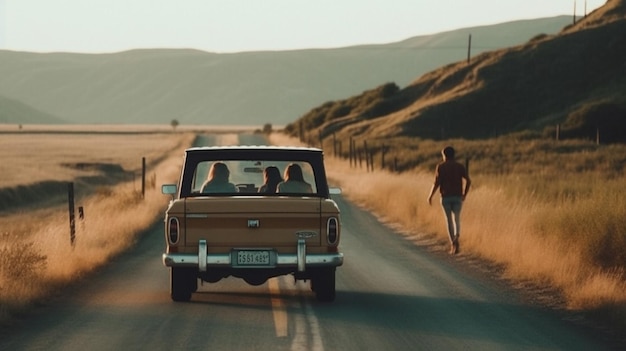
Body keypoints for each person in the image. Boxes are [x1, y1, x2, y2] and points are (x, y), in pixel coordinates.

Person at [427, 146, 471, 255]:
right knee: (456, 218)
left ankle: (453, 244)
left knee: (449, 220)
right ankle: (457, 235)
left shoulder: (440, 167)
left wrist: (430, 196)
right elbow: (468, 181)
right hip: (457, 196)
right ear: (454, 154)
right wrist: (464, 194)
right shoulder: (459, 166)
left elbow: (436, 183)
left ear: (444, 155)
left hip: (445, 197)